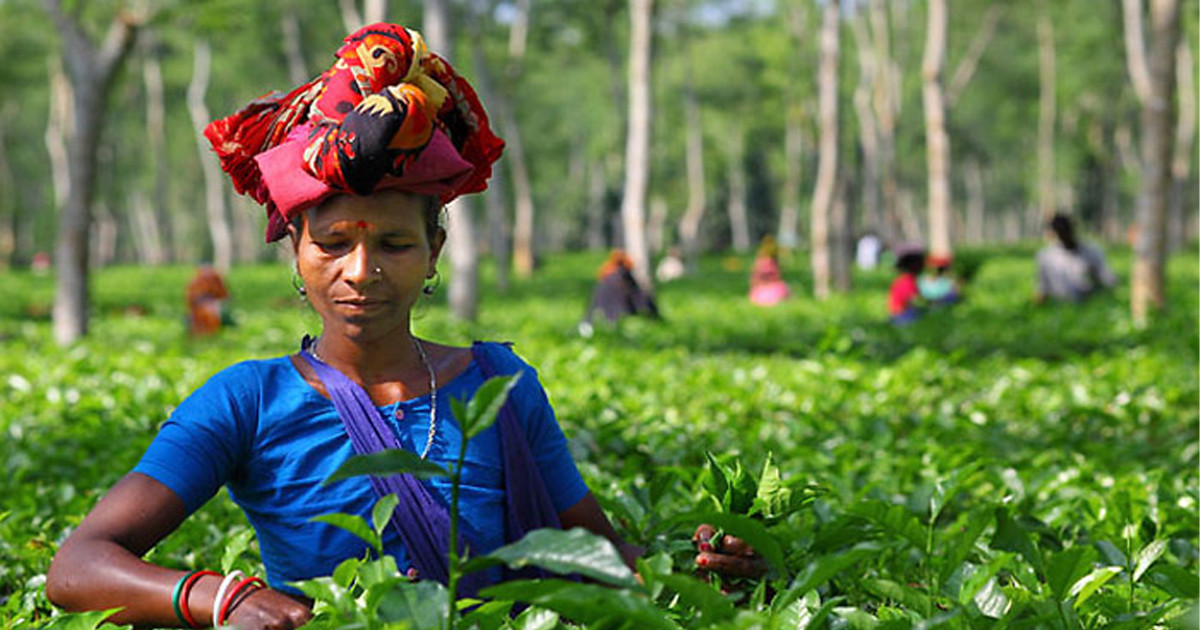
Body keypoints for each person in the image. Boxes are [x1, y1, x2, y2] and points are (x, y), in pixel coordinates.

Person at [45, 23, 648, 630]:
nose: (362, 272)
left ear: (434, 250)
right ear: (296, 250)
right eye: (332, 244)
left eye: (395, 243)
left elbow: (607, 560)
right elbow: (77, 568)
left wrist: (710, 567)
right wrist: (222, 600)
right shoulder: (247, 401)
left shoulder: (501, 387)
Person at [1035, 213, 1117, 303]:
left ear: (1073, 228)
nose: (1064, 234)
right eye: (1060, 230)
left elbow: (1107, 279)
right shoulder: (1046, 256)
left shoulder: (1091, 251)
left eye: (1066, 229)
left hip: (1088, 303)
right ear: (1054, 232)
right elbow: (1042, 288)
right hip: (1059, 305)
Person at [578, 249, 660, 335]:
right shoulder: (622, 273)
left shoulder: (607, 274)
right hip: (618, 311)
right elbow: (639, 295)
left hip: (608, 311)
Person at [185, 265, 231, 336]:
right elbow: (191, 299)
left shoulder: (216, 280)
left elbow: (224, 295)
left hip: (213, 306)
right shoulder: (195, 283)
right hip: (198, 308)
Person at [888, 244, 926, 325]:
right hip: (901, 315)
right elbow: (917, 299)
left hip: (897, 313)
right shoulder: (907, 281)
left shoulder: (903, 279)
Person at [748, 235, 790, 306]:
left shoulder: (761, 261)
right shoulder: (767, 261)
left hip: (765, 288)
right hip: (768, 288)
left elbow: (754, 277)